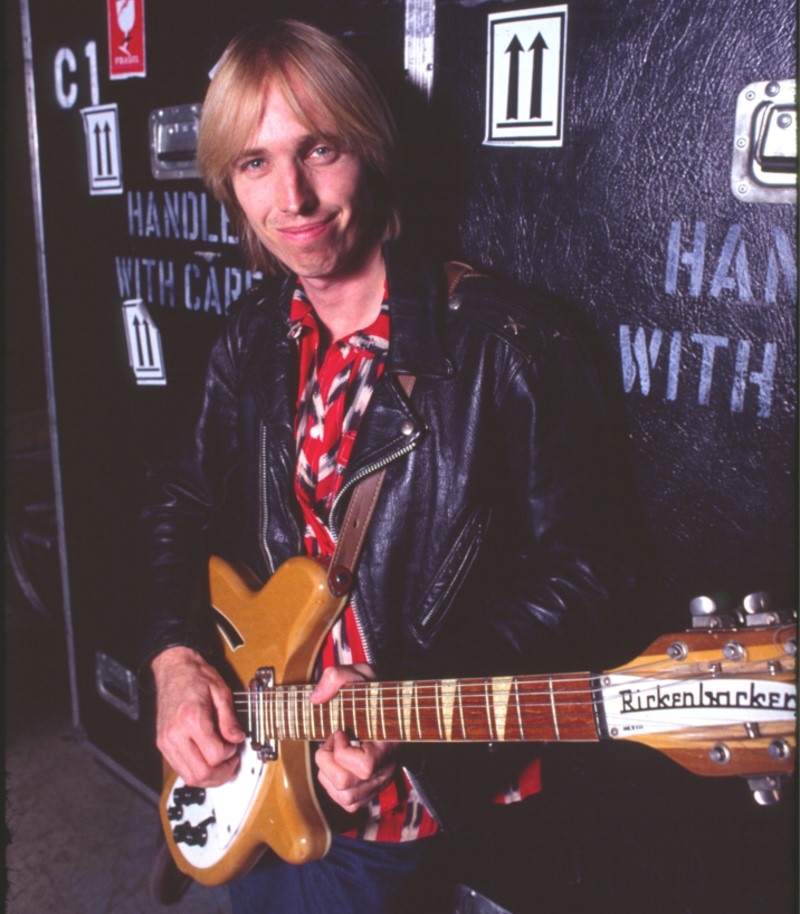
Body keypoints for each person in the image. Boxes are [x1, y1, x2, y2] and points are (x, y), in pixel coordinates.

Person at [140, 19, 632, 914]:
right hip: (259, 767)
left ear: (367, 146)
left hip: (409, 804)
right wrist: (176, 658)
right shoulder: (250, 339)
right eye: (254, 163)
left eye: (318, 148)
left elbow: (593, 574)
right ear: (228, 185)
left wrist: (409, 686)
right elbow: (178, 500)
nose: (292, 196)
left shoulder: (511, 345)